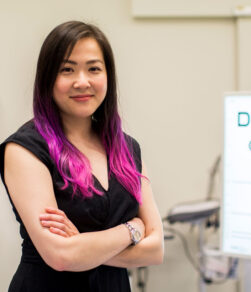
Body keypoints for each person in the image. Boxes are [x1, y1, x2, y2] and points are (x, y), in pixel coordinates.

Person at [0, 21, 164, 292]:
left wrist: (82, 246)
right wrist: (131, 229)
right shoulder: (24, 149)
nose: (82, 82)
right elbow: (61, 257)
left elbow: (155, 249)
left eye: (94, 69)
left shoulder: (127, 148)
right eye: (67, 70)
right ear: (48, 78)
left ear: (107, 77)